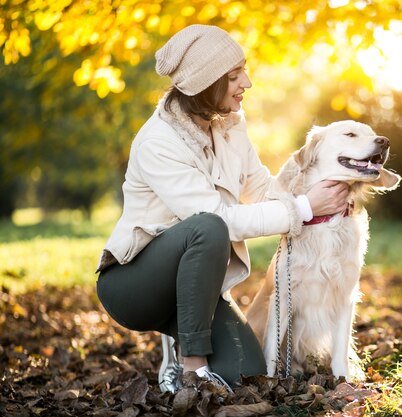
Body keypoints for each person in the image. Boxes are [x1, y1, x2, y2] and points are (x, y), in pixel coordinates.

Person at [95, 24, 349, 393]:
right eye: (233, 76)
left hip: (197, 284)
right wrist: (304, 208)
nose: (246, 82)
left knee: (247, 371)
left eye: (244, 70)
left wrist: (312, 196)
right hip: (136, 285)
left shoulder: (230, 124)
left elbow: (259, 185)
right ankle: (191, 370)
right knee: (209, 226)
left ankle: (185, 337)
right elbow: (221, 221)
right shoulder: (158, 143)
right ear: (204, 83)